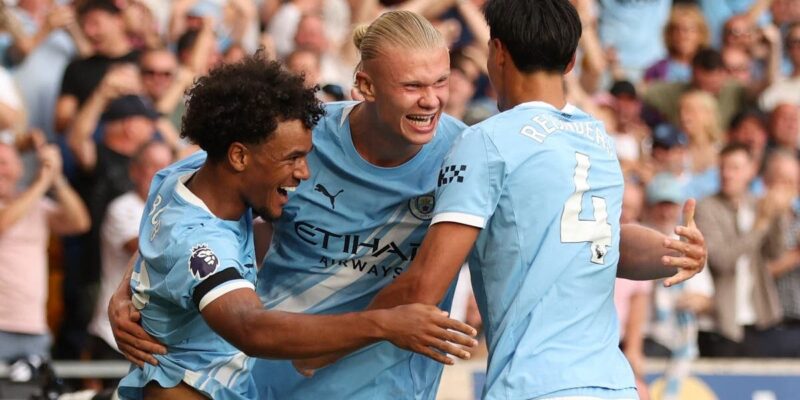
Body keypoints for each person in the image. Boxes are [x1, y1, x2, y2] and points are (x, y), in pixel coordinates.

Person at [114, 9, 706, 400]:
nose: (431, 101)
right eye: (413, 86)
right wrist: (137, 287)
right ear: (365, 85)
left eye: (440, 83)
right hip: (276, 375)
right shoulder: (299, 139)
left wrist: (669, 250)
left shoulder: (469, 151)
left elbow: (580, 230)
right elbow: (198, 195)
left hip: (390, 384)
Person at [348, 1, 704, 399]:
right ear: (571, 62)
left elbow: (424, 286)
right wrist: (673, 250)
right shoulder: (598, 139)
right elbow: (606, 243)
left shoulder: (485, 141)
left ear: (496, 51)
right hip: (613, 387)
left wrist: (332, 337)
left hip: (533, 387)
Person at [115, 54, 476, 400]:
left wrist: (125, 293)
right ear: (239, 156)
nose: (304, 172)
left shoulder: (185, 178)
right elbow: (250, 327)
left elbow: (163, 243)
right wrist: (385, 324)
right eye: (293, 158)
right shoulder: (203, 245)